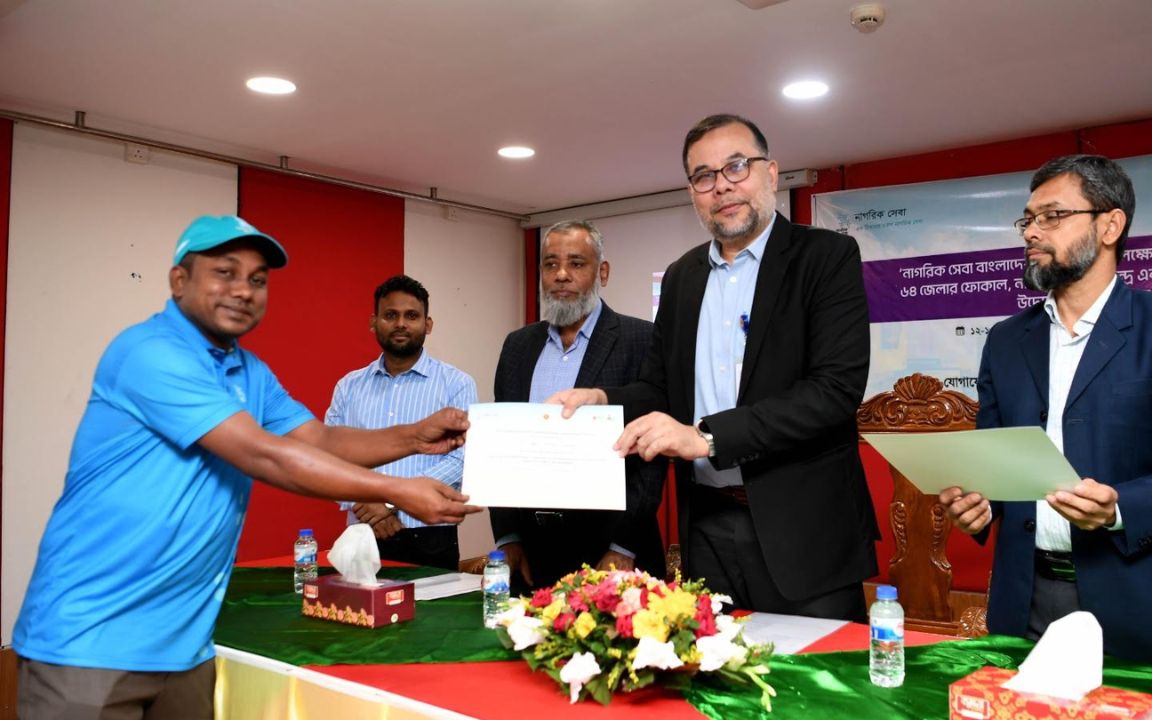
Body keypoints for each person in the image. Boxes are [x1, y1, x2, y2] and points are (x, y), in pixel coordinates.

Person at [12, 216, 482, 718]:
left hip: (186, 644)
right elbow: (263, 454)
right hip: (92, 640)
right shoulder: (149, 352)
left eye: (257, 279)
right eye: (225, 272)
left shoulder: (251, 373)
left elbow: (320, 441)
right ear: (179, 280)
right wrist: (399, 490)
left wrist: (415, 436)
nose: (243, 290)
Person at [550, 115, 878, 621]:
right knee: (708, 667)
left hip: (805, 532)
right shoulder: (682, 277)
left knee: (816, 671)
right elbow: (660, 388)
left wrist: (707, 437)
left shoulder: (825, 257)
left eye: (736, 166)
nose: (721, 185)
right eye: (704, 176)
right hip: (706, 528)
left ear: (771, 173)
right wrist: (602, 399)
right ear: (692, 193)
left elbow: (834, 391)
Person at [938, 155, 1152, 664]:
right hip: (1025, 603)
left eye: (1052, 216)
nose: (1032, 232)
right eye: (1028, 219)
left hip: (1143, 606)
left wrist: (1120, 508)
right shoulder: (1006, 340)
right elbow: (996, 467)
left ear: (1110, 225)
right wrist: (980, 507)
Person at [490, 220, 666, 592]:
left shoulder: (641, 339)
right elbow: (501, 446)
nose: (561, 275)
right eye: (550, 264)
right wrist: (508, 536)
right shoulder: (518, 346)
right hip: (532, 548)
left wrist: (623, 547)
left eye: (576, 263)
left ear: (603, 272)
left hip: (613, 548)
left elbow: (651, 458)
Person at [327, 275, 478, 570]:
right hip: (363, 531)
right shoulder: (348, 386)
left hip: (430, 533)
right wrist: (364, 502)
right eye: (390, 315)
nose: (400, 324)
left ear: (428, 324)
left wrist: (390, 501)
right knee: (358, 602)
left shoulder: (456, 384)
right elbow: (330, 455)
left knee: (435, 603)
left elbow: (464, 457)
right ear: (373, 322)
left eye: (411, 316)